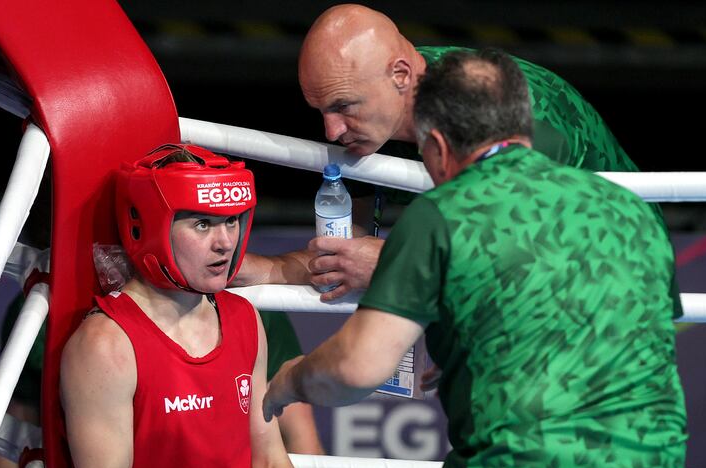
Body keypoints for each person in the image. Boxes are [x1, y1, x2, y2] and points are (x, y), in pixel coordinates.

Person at [263, 50, 687, 468]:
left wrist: (287, 381)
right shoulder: (628, 210)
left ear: (433, 145)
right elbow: (631, 325)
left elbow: (356, 368)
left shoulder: (443, 215)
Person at [60, 144, 388, 468]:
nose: (225, 242)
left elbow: (268, 462)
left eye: (234, 221)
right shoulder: (105, 343)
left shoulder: (242, 319)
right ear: (152, 225)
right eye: (201, 223)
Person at [237, 4, 679, 318]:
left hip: (613, 304)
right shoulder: (385, 114)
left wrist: (396, 264)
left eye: (344, 107)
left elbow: (541, 260)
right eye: (321, 111)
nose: (330, 131)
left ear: (401, 76)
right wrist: (272, 269)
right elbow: (362, 257)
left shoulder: (508, 114)